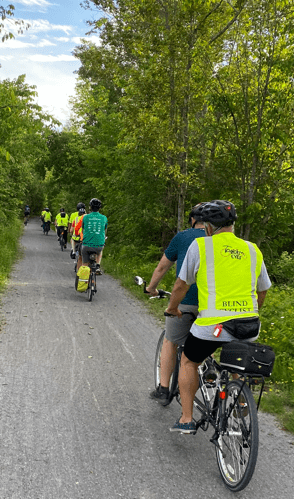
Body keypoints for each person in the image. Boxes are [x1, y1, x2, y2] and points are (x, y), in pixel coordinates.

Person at [165, 200, 271, 434]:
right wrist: (250, 312)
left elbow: (181, 285)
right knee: (237, 362)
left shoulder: (201, 246)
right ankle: (240, 399)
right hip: (249, 324)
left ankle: (186, 418)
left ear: (209, 227)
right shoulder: (252, 249)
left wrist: (173, 308)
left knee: (189, 361)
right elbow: (262, 290)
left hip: (213, 326)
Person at [146, 205, 206, 405]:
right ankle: (208, 372)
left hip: (186, 301)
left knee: (170, 340)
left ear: (192, 220)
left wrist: (151, 288)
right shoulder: (221, 240)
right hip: (214, 304)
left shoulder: (183, 237)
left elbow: (163, 266)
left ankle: (163, 388)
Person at [75, 198, 107, 275]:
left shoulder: (85, 217)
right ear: (100, 208)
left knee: (85, 263)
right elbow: (104, 230)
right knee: (100, 251)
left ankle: (82, 279)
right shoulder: (104, 218)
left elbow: (83, 230)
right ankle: (98, 266)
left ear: (90, 207)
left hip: (86, 245)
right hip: (99, 245)